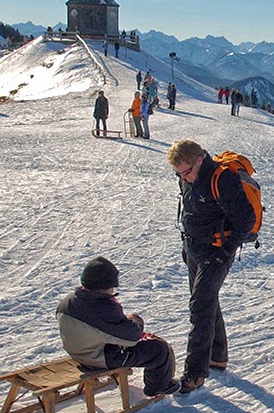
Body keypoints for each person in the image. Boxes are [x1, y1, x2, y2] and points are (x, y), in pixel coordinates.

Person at [167, 140, 256, 394]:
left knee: (200, 306)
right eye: (179, 174)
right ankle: (217, 356)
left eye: (187, 171)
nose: (185, 178)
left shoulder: (221, 178)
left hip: (216, 251)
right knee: (206, 300)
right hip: (194, 249)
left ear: (199, 159)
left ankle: (195, 374)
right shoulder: (187, 178)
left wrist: (226, 252)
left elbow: (246, 218)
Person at [56, 257, 180, 397]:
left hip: (78, 353)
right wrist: (136, 320)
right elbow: (131, 337)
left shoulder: (68, 301)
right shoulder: (102, 308)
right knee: (159, 349)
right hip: (99, 358)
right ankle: (158, 387)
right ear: (105, 287)